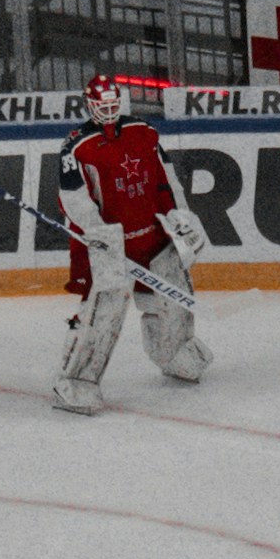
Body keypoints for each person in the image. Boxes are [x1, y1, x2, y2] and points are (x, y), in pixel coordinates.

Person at [47, 71, 207, 415]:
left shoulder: (144, 133)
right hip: (111, 246)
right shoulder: (75, 146)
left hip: (154, 237)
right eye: (101, 105)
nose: (108, 110)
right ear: (90, 105)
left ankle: (174, 353)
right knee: (102, 314)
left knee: (173, 303)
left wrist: (179, 214)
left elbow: (167, 178)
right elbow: (72, 197)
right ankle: (77, 381)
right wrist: (97, 231)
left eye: (113, 103)